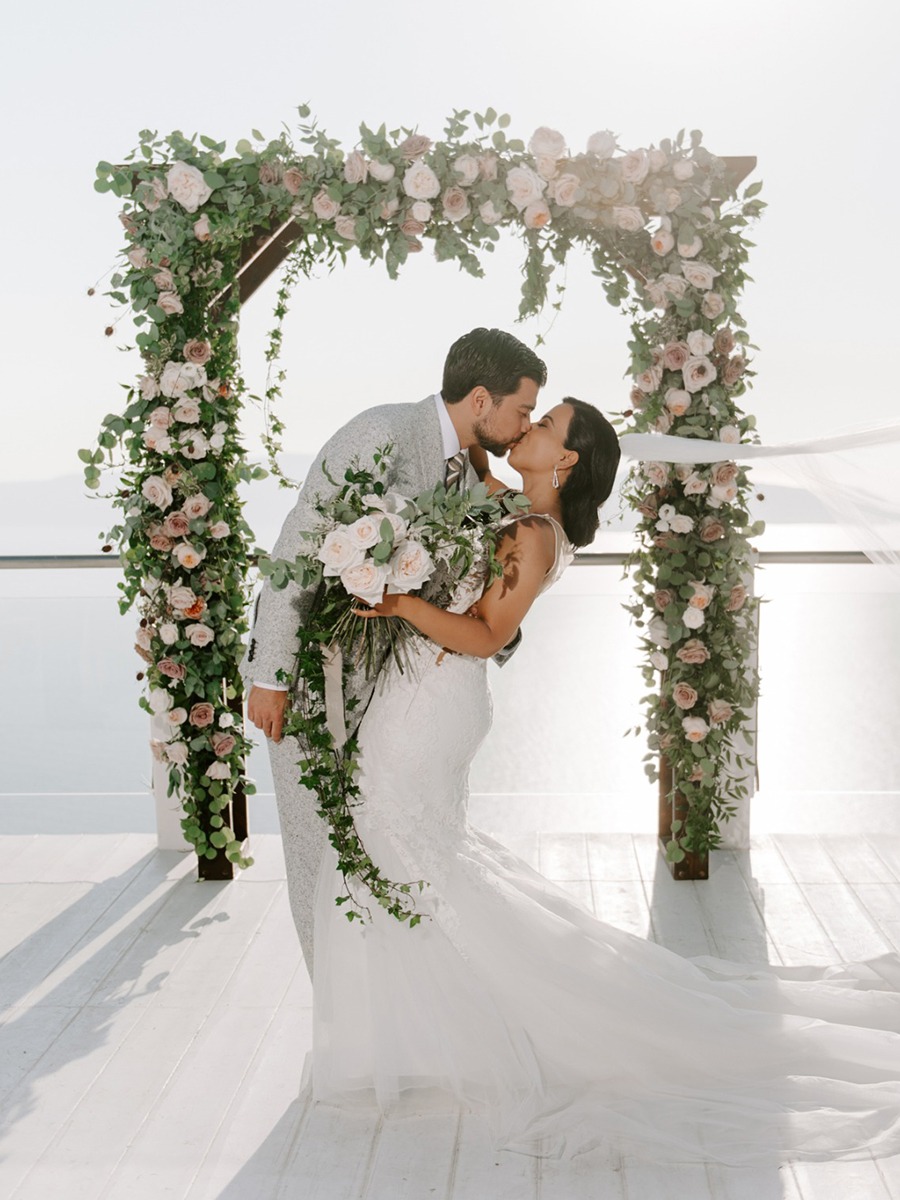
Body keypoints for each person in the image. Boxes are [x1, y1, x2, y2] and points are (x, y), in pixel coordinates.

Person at [304, 398, 900, 1167]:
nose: (528, 430)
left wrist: (397, 600)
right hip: (421, 695)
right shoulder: (511, 510)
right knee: (401, 851)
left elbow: (487, 635)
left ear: (568, 460)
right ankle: (411, 1038)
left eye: (544, 426)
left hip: (433, 706)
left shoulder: (532, 536)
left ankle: (463, 1036)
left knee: (400, 846)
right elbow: (466, 472)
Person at [241, 328, 548, 976]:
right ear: (482, 398)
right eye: (522, 410)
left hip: (395, 701)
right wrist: (269, 672)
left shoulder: (469, 475)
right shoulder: (379, 432)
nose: (523, 426)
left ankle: (389, 1015)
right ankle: (336, 1024)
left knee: (381, 856)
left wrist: (502, 626)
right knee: (317, 856)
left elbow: (472, 589)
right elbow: (299, 541)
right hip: (313, 681)